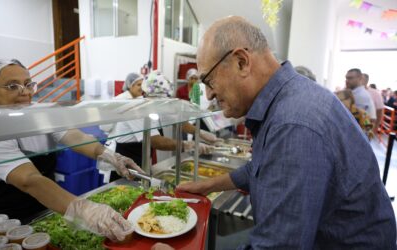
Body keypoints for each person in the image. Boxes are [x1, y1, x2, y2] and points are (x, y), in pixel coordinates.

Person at [154, 16, 396, 249]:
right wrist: (208, 185)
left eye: (208, 80)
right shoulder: (287, 102)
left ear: (241, 62)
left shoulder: (293, 125)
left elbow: (278, 246)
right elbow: (259, 167)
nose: (208, 95)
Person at [0, 59, 144, 242]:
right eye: (12, 86)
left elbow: (77, 138)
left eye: (28, 84)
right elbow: (29, 180)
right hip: (10, 224)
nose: (25, 92)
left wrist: (110, 155)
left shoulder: (38, 114)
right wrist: (84, 209)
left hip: (49, 207)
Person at [103, 71, 214, 172]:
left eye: (165, 100)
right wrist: (187, 145)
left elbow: (178, 121)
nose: (163, 104)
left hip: (142, 158)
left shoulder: (159, 105)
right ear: (147, 94)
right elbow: (155, 141)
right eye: (160, 100)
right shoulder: (136, 110)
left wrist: (200, 133)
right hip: (125, 162)